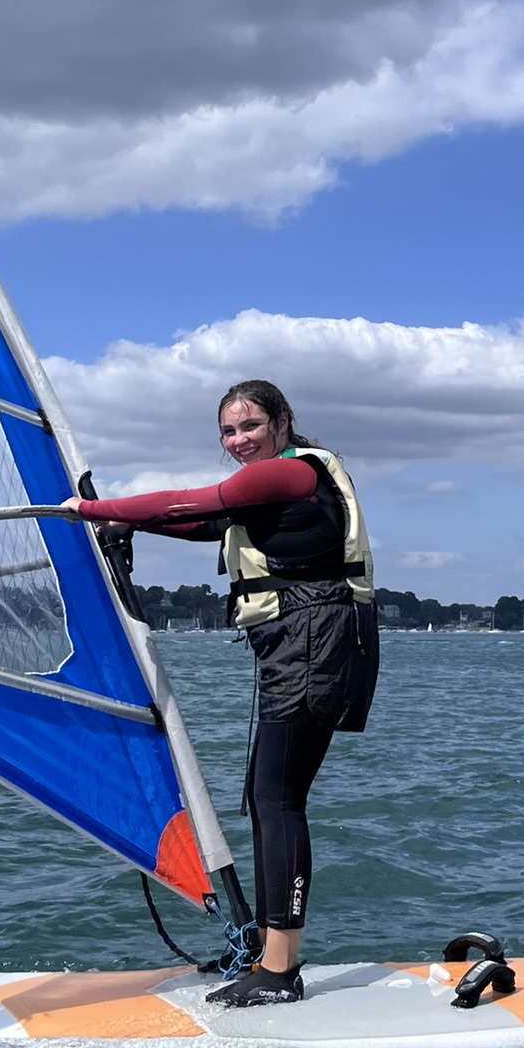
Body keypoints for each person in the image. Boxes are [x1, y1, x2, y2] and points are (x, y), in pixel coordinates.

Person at [66, 379, 379, 1007]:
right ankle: (269, 955)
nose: (239, 441)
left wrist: (90, 511)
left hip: (315, 640)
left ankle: (281, 970)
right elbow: (208, 523)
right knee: (267, 801)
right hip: (302, 642)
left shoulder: (290, 475)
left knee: (278, 799)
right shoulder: (270, 488)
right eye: (228, 433)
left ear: (283, 421)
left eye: (251, 427)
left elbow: (194, 501)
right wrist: (134, 524)